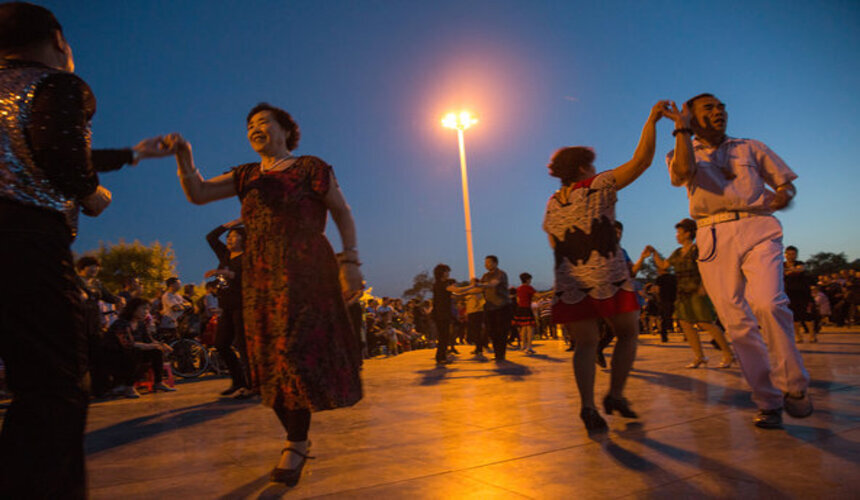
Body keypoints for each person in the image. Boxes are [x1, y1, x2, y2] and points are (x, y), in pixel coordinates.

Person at [0, 4, 174, 497]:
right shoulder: (53, 84)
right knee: (54, 387)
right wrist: (91, 191)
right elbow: (61, 159)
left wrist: (134, 154)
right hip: (25, 246)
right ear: (59, 40)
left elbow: (36, 148)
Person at [166, 102, 363, 486]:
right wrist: (184, 156)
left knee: (293, 352)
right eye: (249, 126)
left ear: (286, 130)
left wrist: (350, 262)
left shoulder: (311, 167)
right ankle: (297, 438)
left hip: (306, 271)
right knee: (265, 359)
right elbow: (198, 194)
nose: (254, 129)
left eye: (262, 123)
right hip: (258, 276)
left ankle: (295, 442)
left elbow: (342, 212)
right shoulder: (246, 175)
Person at [664, 93, 812, 429]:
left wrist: (784, 195)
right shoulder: (679, 149)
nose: (719, 112)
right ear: (690, 116)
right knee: (735, 322)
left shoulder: (750, 146)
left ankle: (795, 386)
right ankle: (769, 400)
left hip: (758, 224)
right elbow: (681, 174)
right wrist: (681, 130)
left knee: (769, 303)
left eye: (721, 107)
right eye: (709, 108)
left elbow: (785, 183)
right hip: (712, 233)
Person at [543, 101, 668, 432]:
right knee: (627, 333)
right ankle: (614, 394)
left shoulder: (553, 203)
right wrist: (652, 119)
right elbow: (642, 161)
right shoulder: (599, 184)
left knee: (585, 345)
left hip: (570, 282)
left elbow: (554, 241)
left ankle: (587, 407)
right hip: (607, 276)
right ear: (584, 167)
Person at [648, 219, 734, 368]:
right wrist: (654, 253)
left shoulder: (697, 249)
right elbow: (663, 265)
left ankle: (728, 354)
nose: (677, 236)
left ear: (688, 233)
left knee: (705, 323)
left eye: (679, 232)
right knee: (685, 323)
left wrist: (704, 286)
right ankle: (699, 356)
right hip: (682, 293)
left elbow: (708, 268)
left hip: (696, 290)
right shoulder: (677, 253)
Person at [206, 219, 253, 397]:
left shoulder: (248, 257)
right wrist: (230, 224)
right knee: (221, 344)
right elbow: (210, 237)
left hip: (242, 305)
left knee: (242, 345)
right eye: (229, 237)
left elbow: (246, 278)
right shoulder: (224, 255)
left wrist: (225, 273)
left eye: (234, 237)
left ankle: (250, 385)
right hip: (225, 306)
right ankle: (238, 381)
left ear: (243, 239)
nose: (230, 240)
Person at [104, 298, 176, 398]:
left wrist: (162, 345)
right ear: (133, 309)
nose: (146, 312)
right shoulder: (121, 323)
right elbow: (127, 344)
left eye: (147, 309)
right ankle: (129, 387)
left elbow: (149, 340)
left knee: (156, 351)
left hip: (134, 353)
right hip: (117, 356)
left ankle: (158, 383)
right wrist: (150, 346)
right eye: (143, 309)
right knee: (135, 351)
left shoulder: (141, 324)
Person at [431, 264, 475, 365]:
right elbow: (458, 290)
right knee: (444, 336)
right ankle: (441, 358)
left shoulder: (438, 284)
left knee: (444, 336)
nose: (448, 273)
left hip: (440, 313)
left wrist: (468, 290)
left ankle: (441, 356)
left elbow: (456, 293)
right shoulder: (442, 284)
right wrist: (471, 286)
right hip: (442, 314)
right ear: (441, 272)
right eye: (447, 271)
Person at [474, 255, 512, 362]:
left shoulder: (501, 274)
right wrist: (463, 291)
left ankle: (501, 355)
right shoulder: (485, 275)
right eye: (485, 263)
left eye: (488, 262)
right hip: (490, 308)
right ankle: (497, 354)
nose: (486, 265)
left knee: (502, 331)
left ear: (495, 263)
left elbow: (492, 284)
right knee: (492, 332)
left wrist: (478, 285)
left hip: (502, 307)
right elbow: (480, 289)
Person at [784, 246, 816, 343]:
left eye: (793, 254)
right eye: (789, 254)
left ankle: (812, 335)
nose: (791, 256)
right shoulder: (782, 264)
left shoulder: (800, 263)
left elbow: (800, 269)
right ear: (785, 254)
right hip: (789, 292)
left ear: (796, 255)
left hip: (803, 293)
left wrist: (787, 270)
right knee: (794, 316)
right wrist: (790, 270)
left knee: (807, 315)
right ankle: (798, 336)